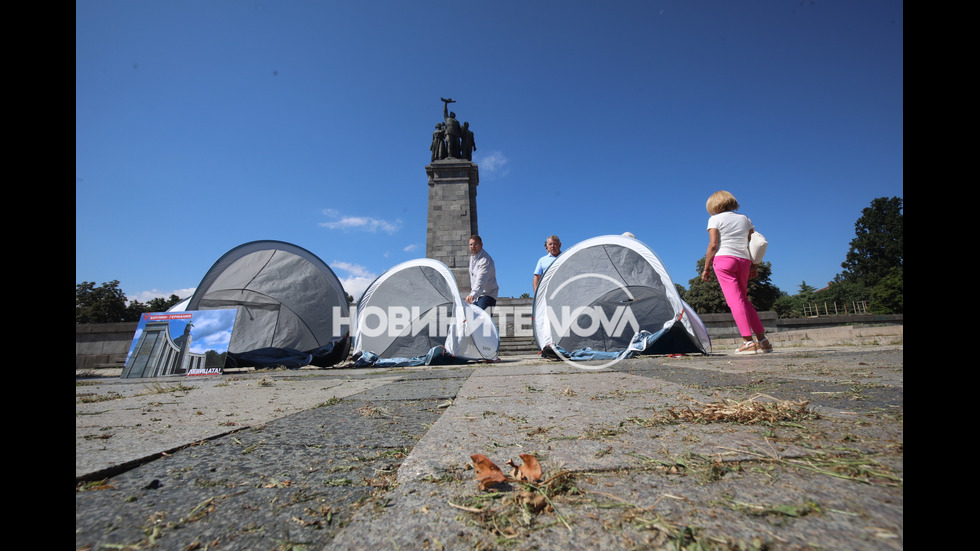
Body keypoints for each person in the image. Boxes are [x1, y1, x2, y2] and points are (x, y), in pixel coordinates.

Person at [701, 191, 773, 354]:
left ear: (714, 205)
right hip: (744, 260)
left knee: (735, 301)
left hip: (724, 259)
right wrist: (754, 265)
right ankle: (763, 341)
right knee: (744, 300)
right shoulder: (744, 219)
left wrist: (706, 268)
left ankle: (748, 342)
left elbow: (713, 245)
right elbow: (753, 243)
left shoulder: (714, 219)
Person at [467, 235, 498, 310]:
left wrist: (472, 294)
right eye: (471, 244)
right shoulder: (472, 258)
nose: (473, 246)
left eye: (475, 244)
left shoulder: (485, 260)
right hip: (477, 296)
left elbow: (481, 280)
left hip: (487, 295)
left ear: (481, 244)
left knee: (482, 319)